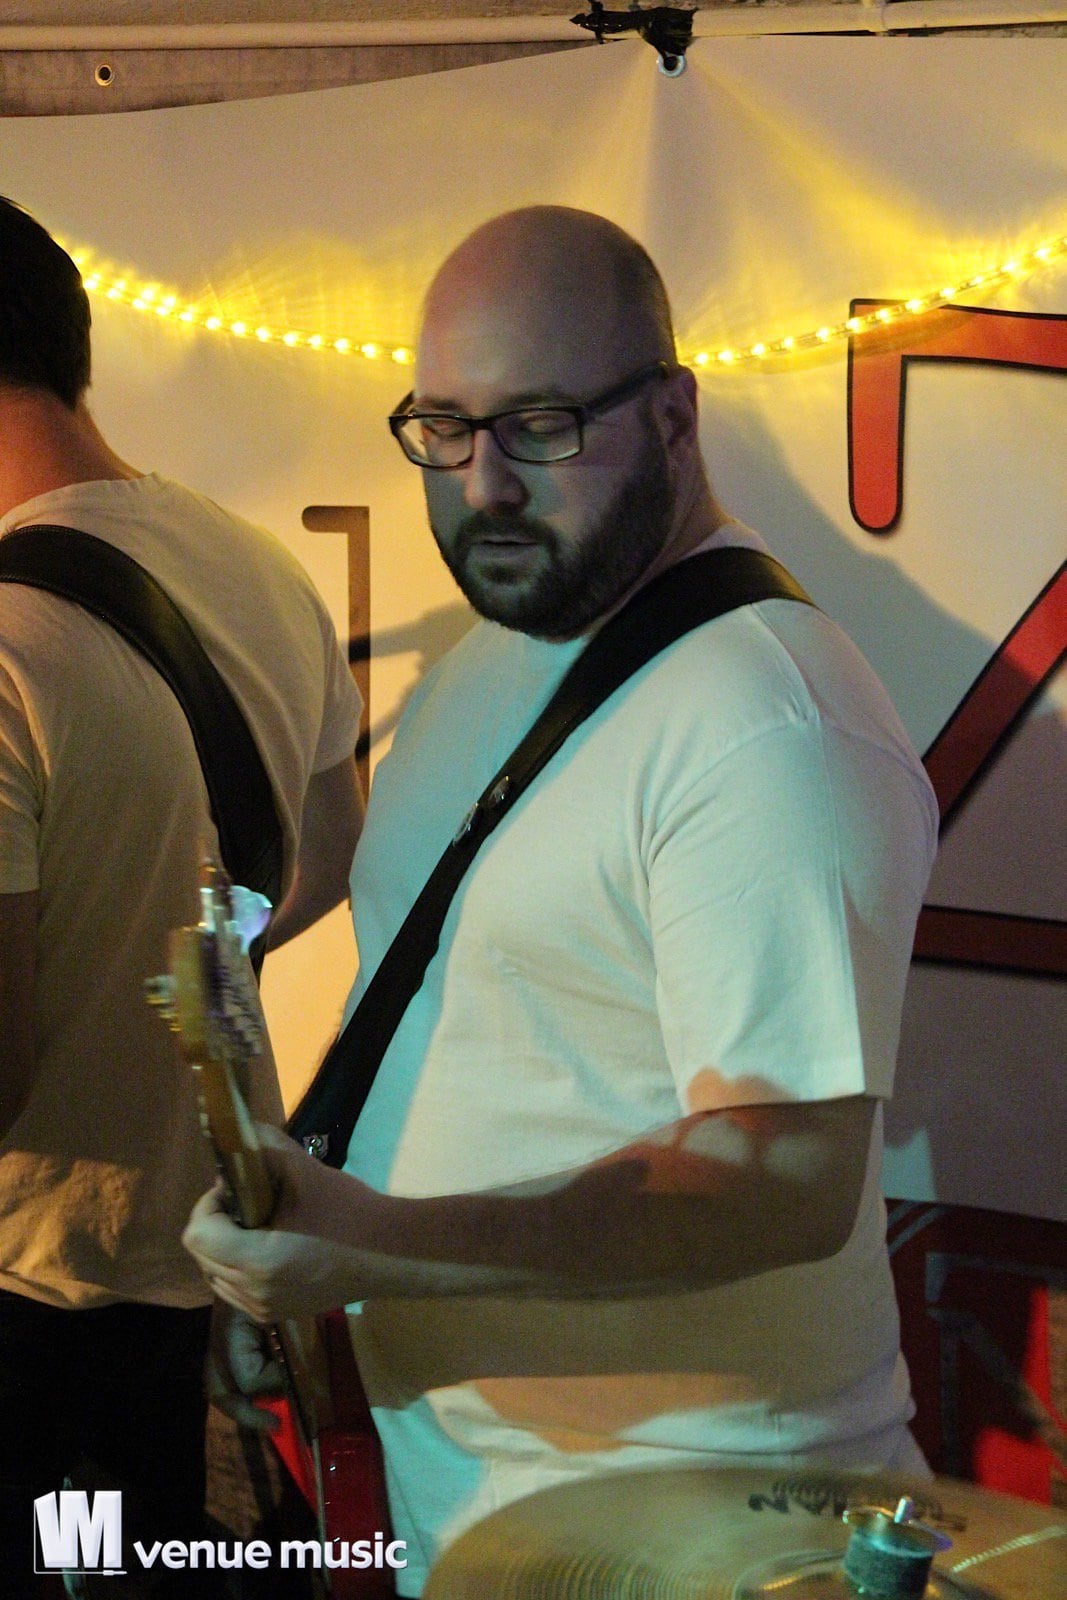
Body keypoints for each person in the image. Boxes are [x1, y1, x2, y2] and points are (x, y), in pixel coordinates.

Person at [184, 206, 939, 1598]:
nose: (485, 485)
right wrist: (303, 1262)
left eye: (540, 426)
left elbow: (781, 1186)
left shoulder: (767, 721)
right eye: (444, 429)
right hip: (483, 1508)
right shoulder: (500, 655)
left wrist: (369, 1244)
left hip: (711, 1535)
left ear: (673, 418)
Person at [0, 195, 364, 1594]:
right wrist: (175, 974)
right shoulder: (255, 564)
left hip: (35, 1284)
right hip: (200, 1247)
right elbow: (331, 851)